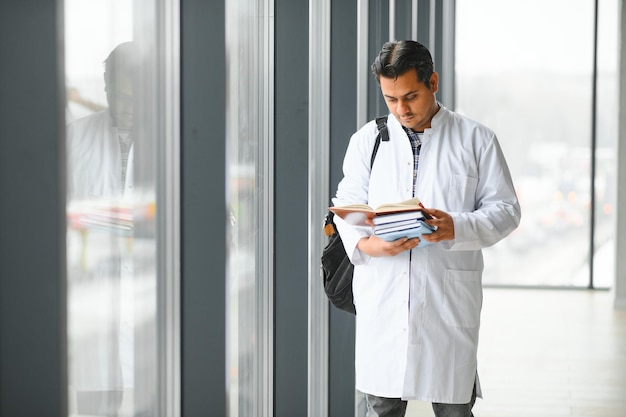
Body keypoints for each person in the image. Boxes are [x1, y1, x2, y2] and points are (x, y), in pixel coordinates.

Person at [332, 40, 521, 417]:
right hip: (384, 291)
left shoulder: (476, 139)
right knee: (381, 406)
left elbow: (507, 211)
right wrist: (369, 245)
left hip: (446, 297)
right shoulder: (368, 140)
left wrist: (457, 226)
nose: (401, 109)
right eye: (390, 99)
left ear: (433, 81)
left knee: (453, 407)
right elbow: (346, 203)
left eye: (411, 96)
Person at [66, 41, 138, 417]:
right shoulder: (73, 139)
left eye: (136, 97)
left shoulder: (176, 143)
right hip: (93, 305)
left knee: (160, 396)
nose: (126, 107)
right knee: (96, 404)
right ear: (106, 86)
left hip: (150, 306)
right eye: (120, 95)